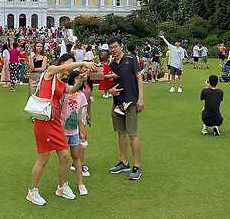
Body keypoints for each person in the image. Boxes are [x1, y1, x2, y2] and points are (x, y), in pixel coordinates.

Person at [26, 53, 96, 206]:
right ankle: (32, 192)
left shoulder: (60, 82)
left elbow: (71, 90)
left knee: (65, 155)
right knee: (43, 158)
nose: (70, 69)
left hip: (55, 122)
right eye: (70, 64)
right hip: (44, 121)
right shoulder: (50, 71)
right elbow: (63, 68)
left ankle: (62, 187)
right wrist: (82, 62)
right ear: (63, 63)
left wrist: (81, 80)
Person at [107, 36, 145, 181]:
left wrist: (140, 99)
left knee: (132, 134)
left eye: (115, 46)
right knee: (121, 133)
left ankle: (136, 166)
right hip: (118, 103)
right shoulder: (112, 64)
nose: (113, 50)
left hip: (131, 102)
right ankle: (124, 162)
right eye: (111, 48)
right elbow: (112, 83)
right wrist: (110, 91)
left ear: (121, 46)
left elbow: (139, 78)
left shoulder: (131, 59)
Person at [61, 69, 90, 196]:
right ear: (73, 79)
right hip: (62, 130)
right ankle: (62, 185)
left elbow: (80, 116)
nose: (80, 80)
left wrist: (82, 131)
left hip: (74, 132)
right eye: (78, 78)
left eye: (81, 78)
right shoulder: (64, 93)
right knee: (64, 158)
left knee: (76, 158)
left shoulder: (81, 96)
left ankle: (80, 183)